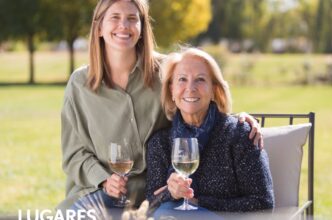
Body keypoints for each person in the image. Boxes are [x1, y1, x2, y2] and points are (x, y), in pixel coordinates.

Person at [58, 0, 263, 215]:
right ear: (99, 27)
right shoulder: (80, 84)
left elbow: (198, 102)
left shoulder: (167, 72)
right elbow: (75, 154)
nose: (123, 26)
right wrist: (104, 180)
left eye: (131, 18)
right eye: (115, 18)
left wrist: (238, 119)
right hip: (98, 192)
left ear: (142, 27)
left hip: (155, 194)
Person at [146, 48, 274, 218]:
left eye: (200, 79)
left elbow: (263, 203)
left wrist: (200, 203)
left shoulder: (239, 134)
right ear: (171, 89)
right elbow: (151, 203)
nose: (190, 88)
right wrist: (171, 192)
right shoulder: (160, 142)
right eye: (182, 79)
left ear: (214, 89)